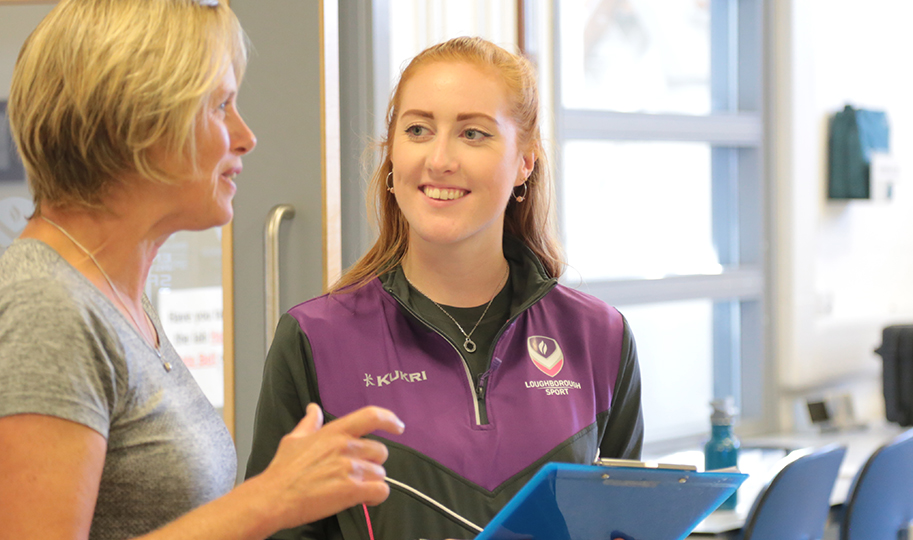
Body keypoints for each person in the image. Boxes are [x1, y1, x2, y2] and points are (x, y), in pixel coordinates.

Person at [0, 1, 404, 539]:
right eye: (220, 106)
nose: (245, 136)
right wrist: (266, 501)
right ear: (136, 121)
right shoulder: (43, 311)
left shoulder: (114, 300)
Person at [245, 36, 643, 540]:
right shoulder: (313, 339)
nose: (439, 159)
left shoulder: (599, 337)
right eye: (417, 130)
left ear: (525, 160)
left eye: (473, 134)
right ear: (392, 157)